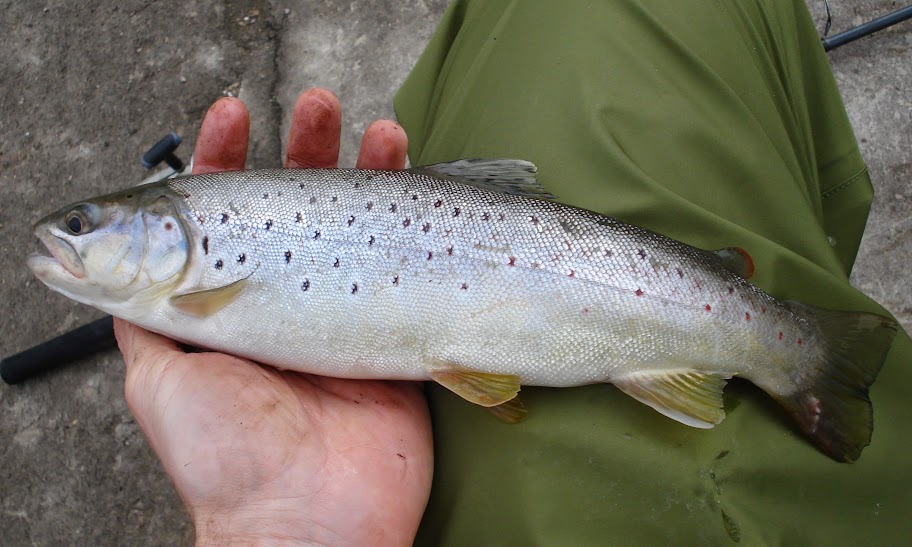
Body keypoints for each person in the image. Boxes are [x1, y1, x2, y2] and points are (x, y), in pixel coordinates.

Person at [117, 0, 912, 544]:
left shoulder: (191, 292)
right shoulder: (190, 289)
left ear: (161, 230)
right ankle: (791, 345)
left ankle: (793, 348)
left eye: (84, 228)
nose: (67, 242)